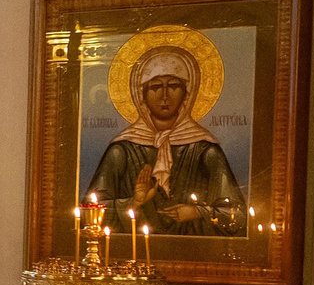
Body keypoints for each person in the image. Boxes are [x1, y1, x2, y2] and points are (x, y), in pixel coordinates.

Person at [82, 42, 244, 235]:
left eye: (174, 86)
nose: (164, 96)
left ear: (187, 93)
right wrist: (134, 202)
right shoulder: (121, 151)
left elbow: (238, 217)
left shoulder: (206, 152)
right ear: (141, 95)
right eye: (155, 86)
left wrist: (198, 212)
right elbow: (89, 214)